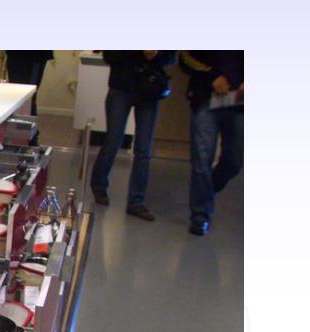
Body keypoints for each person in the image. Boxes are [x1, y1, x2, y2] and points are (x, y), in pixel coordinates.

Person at [90, 51, 177, 221]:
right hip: (122, 85)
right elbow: (109, 55)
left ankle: (136, 201)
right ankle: (98, 185)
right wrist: (140, 53)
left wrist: (156, 55)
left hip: (149, 88)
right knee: (113, 140)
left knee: (144, 148)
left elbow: (171, 56)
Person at [179, 51, 244, 236]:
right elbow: (184, 57)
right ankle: (200, 217)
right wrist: (212, 77)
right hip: (205, 99)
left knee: (234, 161)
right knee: (202, 160)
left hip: (239, 102)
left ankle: (206, 192)